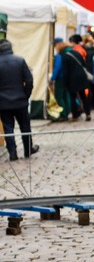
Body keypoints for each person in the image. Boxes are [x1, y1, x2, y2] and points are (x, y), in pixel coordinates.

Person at [0, 15, 38, 161]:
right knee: (25, 126)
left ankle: (13, 153)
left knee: (8, 128)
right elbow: (29, 80)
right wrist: (25, 94)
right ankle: (28, 150)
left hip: (3, 102)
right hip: (20, 100)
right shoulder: (19, 60)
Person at [63, 34, 92, 122]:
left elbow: (66, 70)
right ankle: (88, 114)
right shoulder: (77, 52)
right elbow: (84, 64)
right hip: (81, 76)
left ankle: (75, 115)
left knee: (72, 97)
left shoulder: (66, 55)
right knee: (83, 96)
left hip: (72, 78)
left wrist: (65, 82)